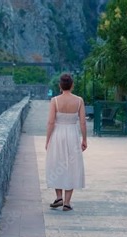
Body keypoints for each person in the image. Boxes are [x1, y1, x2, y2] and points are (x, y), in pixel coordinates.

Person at [45, 73, 87, 211]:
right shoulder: (79, 100)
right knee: (71, 166)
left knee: (57, 163)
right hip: (72, 135)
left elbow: (51, 122)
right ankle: (67, 202)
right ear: (72, 85)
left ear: (60, 86)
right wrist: (84, 139)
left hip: (58, 134)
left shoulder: (55, 101)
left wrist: (48, 139)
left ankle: (58, 197)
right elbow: (82, 122)